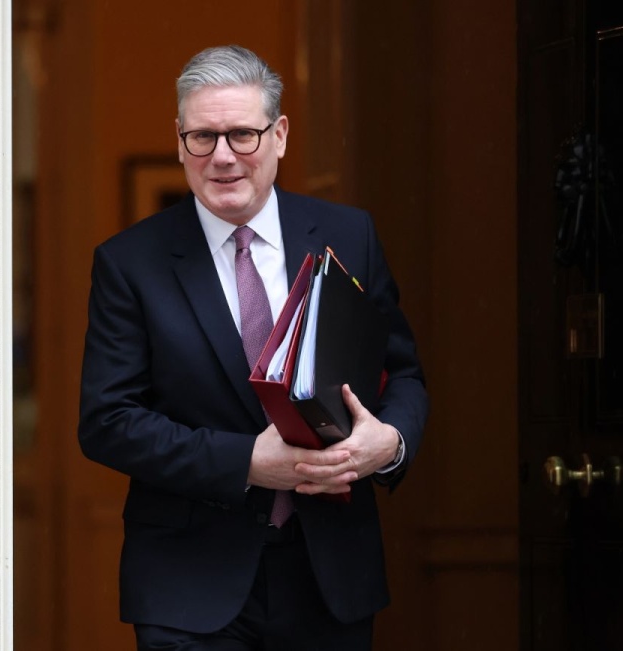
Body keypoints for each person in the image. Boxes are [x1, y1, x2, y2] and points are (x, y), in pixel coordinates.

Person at [78, 45, 428, 651]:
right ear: (179, 139)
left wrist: (389, 443)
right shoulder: (129, 263)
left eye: (242, 134)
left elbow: (402, 375)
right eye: (202, 137)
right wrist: (246, 462)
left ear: (280, 135)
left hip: (330, 578)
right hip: (189, 587)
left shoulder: (349, 235)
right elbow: (108, 422)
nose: (222, 158)